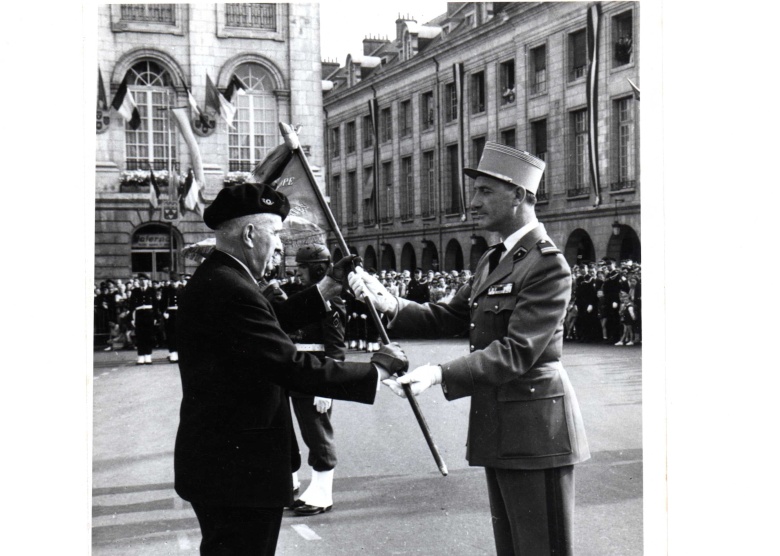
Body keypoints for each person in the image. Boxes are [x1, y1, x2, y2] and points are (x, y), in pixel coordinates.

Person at [351, 142, 590, 556]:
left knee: (540, 548)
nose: (473, 201)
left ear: (519, 195)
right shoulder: (495, 259)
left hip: (536, 434)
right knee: (513, 549)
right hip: (501, 426)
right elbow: (448, 316)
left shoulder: (547, 263)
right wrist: (388, 301)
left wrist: (440, 372)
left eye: (485, 191)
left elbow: (518, 351)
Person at [173, 182, 408, 556]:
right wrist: (375, 370)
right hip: (239, 471)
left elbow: (270, 319)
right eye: (276, 233)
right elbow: (288, 364)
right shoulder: (233, 289)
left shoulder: (224, 278)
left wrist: (327, 286)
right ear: (250, 234)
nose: (281, 246)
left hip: (226, 465)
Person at [284, 243, 346, 516]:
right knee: (296, 430)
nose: (298, 273)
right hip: (296, 372)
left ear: (318, 268)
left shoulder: (332, 300)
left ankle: (322, 493)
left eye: (302, 268)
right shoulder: (305, 295)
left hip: (316, 373)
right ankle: (298, 483)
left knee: (317, 432)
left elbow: (336, 348)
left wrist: (326, 387)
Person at [129, 275, 156, 365]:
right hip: (139, 315)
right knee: (140, 336)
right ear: (139, 281)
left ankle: (148, 356)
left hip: (149, 315)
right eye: (141, 280)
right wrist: (131, 318)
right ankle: (141, 356)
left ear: (148, 281)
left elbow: (156, 305)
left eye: (144, 280)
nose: (143, 281)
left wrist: (156, 317)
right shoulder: (135, 291)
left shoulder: (152, 290)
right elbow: (131, 305)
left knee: (148, 336)